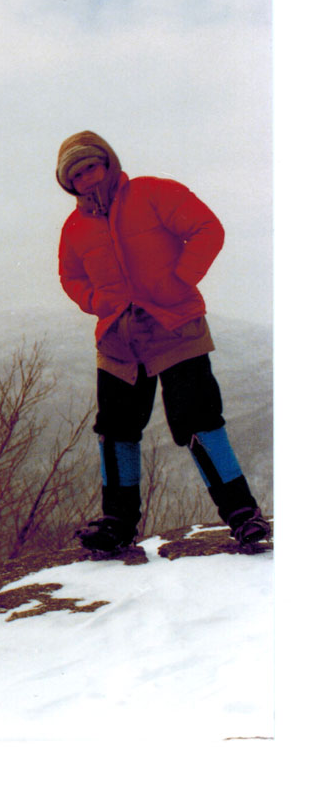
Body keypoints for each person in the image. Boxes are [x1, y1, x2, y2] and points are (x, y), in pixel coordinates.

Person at [55, 130, 270, 552]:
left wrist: (180, 280)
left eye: (91, 166)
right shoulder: (74, 227)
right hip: (118, 338)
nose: (87, 178)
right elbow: (70, 276)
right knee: (116, 430)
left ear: (108, 163)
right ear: (68, 183)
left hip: (175, 327)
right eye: (76, 174)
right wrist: (96, 301)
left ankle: (243, 516)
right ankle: (117, 524)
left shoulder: (153, 193)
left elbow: (208, 228)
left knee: (200, 423)